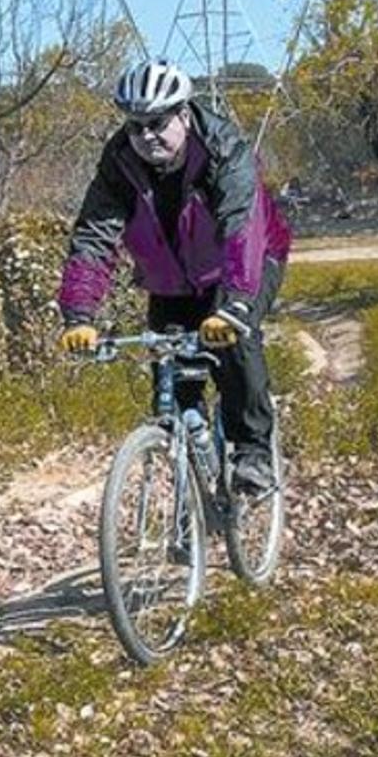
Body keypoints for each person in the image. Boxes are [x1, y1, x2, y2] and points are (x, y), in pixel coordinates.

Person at [56, 58, 292, 493]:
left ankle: (253, 452)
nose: (146, 136)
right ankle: (190, 490)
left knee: (235, 344)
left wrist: (236, 301)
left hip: (246, 263)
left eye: (158, 122)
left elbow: (243, 226)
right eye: (135, 126)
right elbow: (94, 235)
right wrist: (79, 315)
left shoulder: (225, 150)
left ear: (183, 114)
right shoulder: (119, 164)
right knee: (173, 375)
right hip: (172, 279)